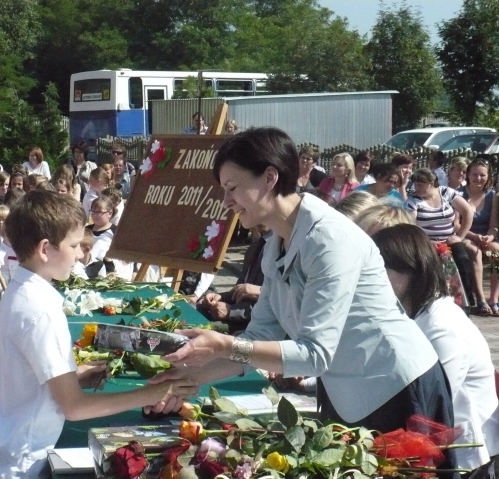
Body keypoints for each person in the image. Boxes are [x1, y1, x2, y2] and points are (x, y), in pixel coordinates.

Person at [150, 128, 454, 441]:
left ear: (270, 178)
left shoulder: (329, 239)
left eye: (232, 188)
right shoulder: (276, 243)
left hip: (397, 390)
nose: (226, 201)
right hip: (349, 393)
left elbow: (314, 355)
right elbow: (259, 338)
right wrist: (185, 379)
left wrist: (223, 344)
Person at [0, 190, 197, 479]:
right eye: (74, 245)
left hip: (4, 450)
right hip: (21, 463)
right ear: (45, 249)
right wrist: (150, 394)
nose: (80, 254)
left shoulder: (22, 292)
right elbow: (74, 408)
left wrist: (73, 376)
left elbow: (24, 377)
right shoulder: (40, 310)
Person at [372, 224, 499, 477]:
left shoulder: (442, 326)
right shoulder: (414, 314)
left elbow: (429, 401)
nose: (372, 279)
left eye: (379, 269)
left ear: (410, 270)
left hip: (466, 458)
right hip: (436, 446)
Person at [405, 168, 475, 309]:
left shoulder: (446, 193)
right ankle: (436, 302)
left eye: (420, 185)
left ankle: (466, 300)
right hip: (426, 242)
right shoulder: (413, 201)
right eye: (415, 184)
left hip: (450, 240)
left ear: (431, 183)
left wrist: (460, 237)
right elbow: (411, 226)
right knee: (433, 266)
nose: (416, 188)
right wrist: (427, 242)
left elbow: (467, 211)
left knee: (462, 259)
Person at [197, 226, 269, 333]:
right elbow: (240, 291)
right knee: (192, 309)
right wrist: (219, 297)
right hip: (238, 317)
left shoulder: (281, 253)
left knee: (196, 327)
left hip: (256, 328)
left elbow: (277, 306)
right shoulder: (256, 246)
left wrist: (231, 312)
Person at [460, 157, 499, 316]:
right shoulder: (459, 194)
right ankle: (481, 300)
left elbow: (494, 226)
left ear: (488, 177)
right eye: (474, 174)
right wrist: (475, 236)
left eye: (482, 175)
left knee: (497, 254)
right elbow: (456, 225)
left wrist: (489, 238)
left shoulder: (492, 196)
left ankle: (494, 299)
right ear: (468, 175)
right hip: (465, 235)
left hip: (485, 237)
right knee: (475, 253)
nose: (478, 178)